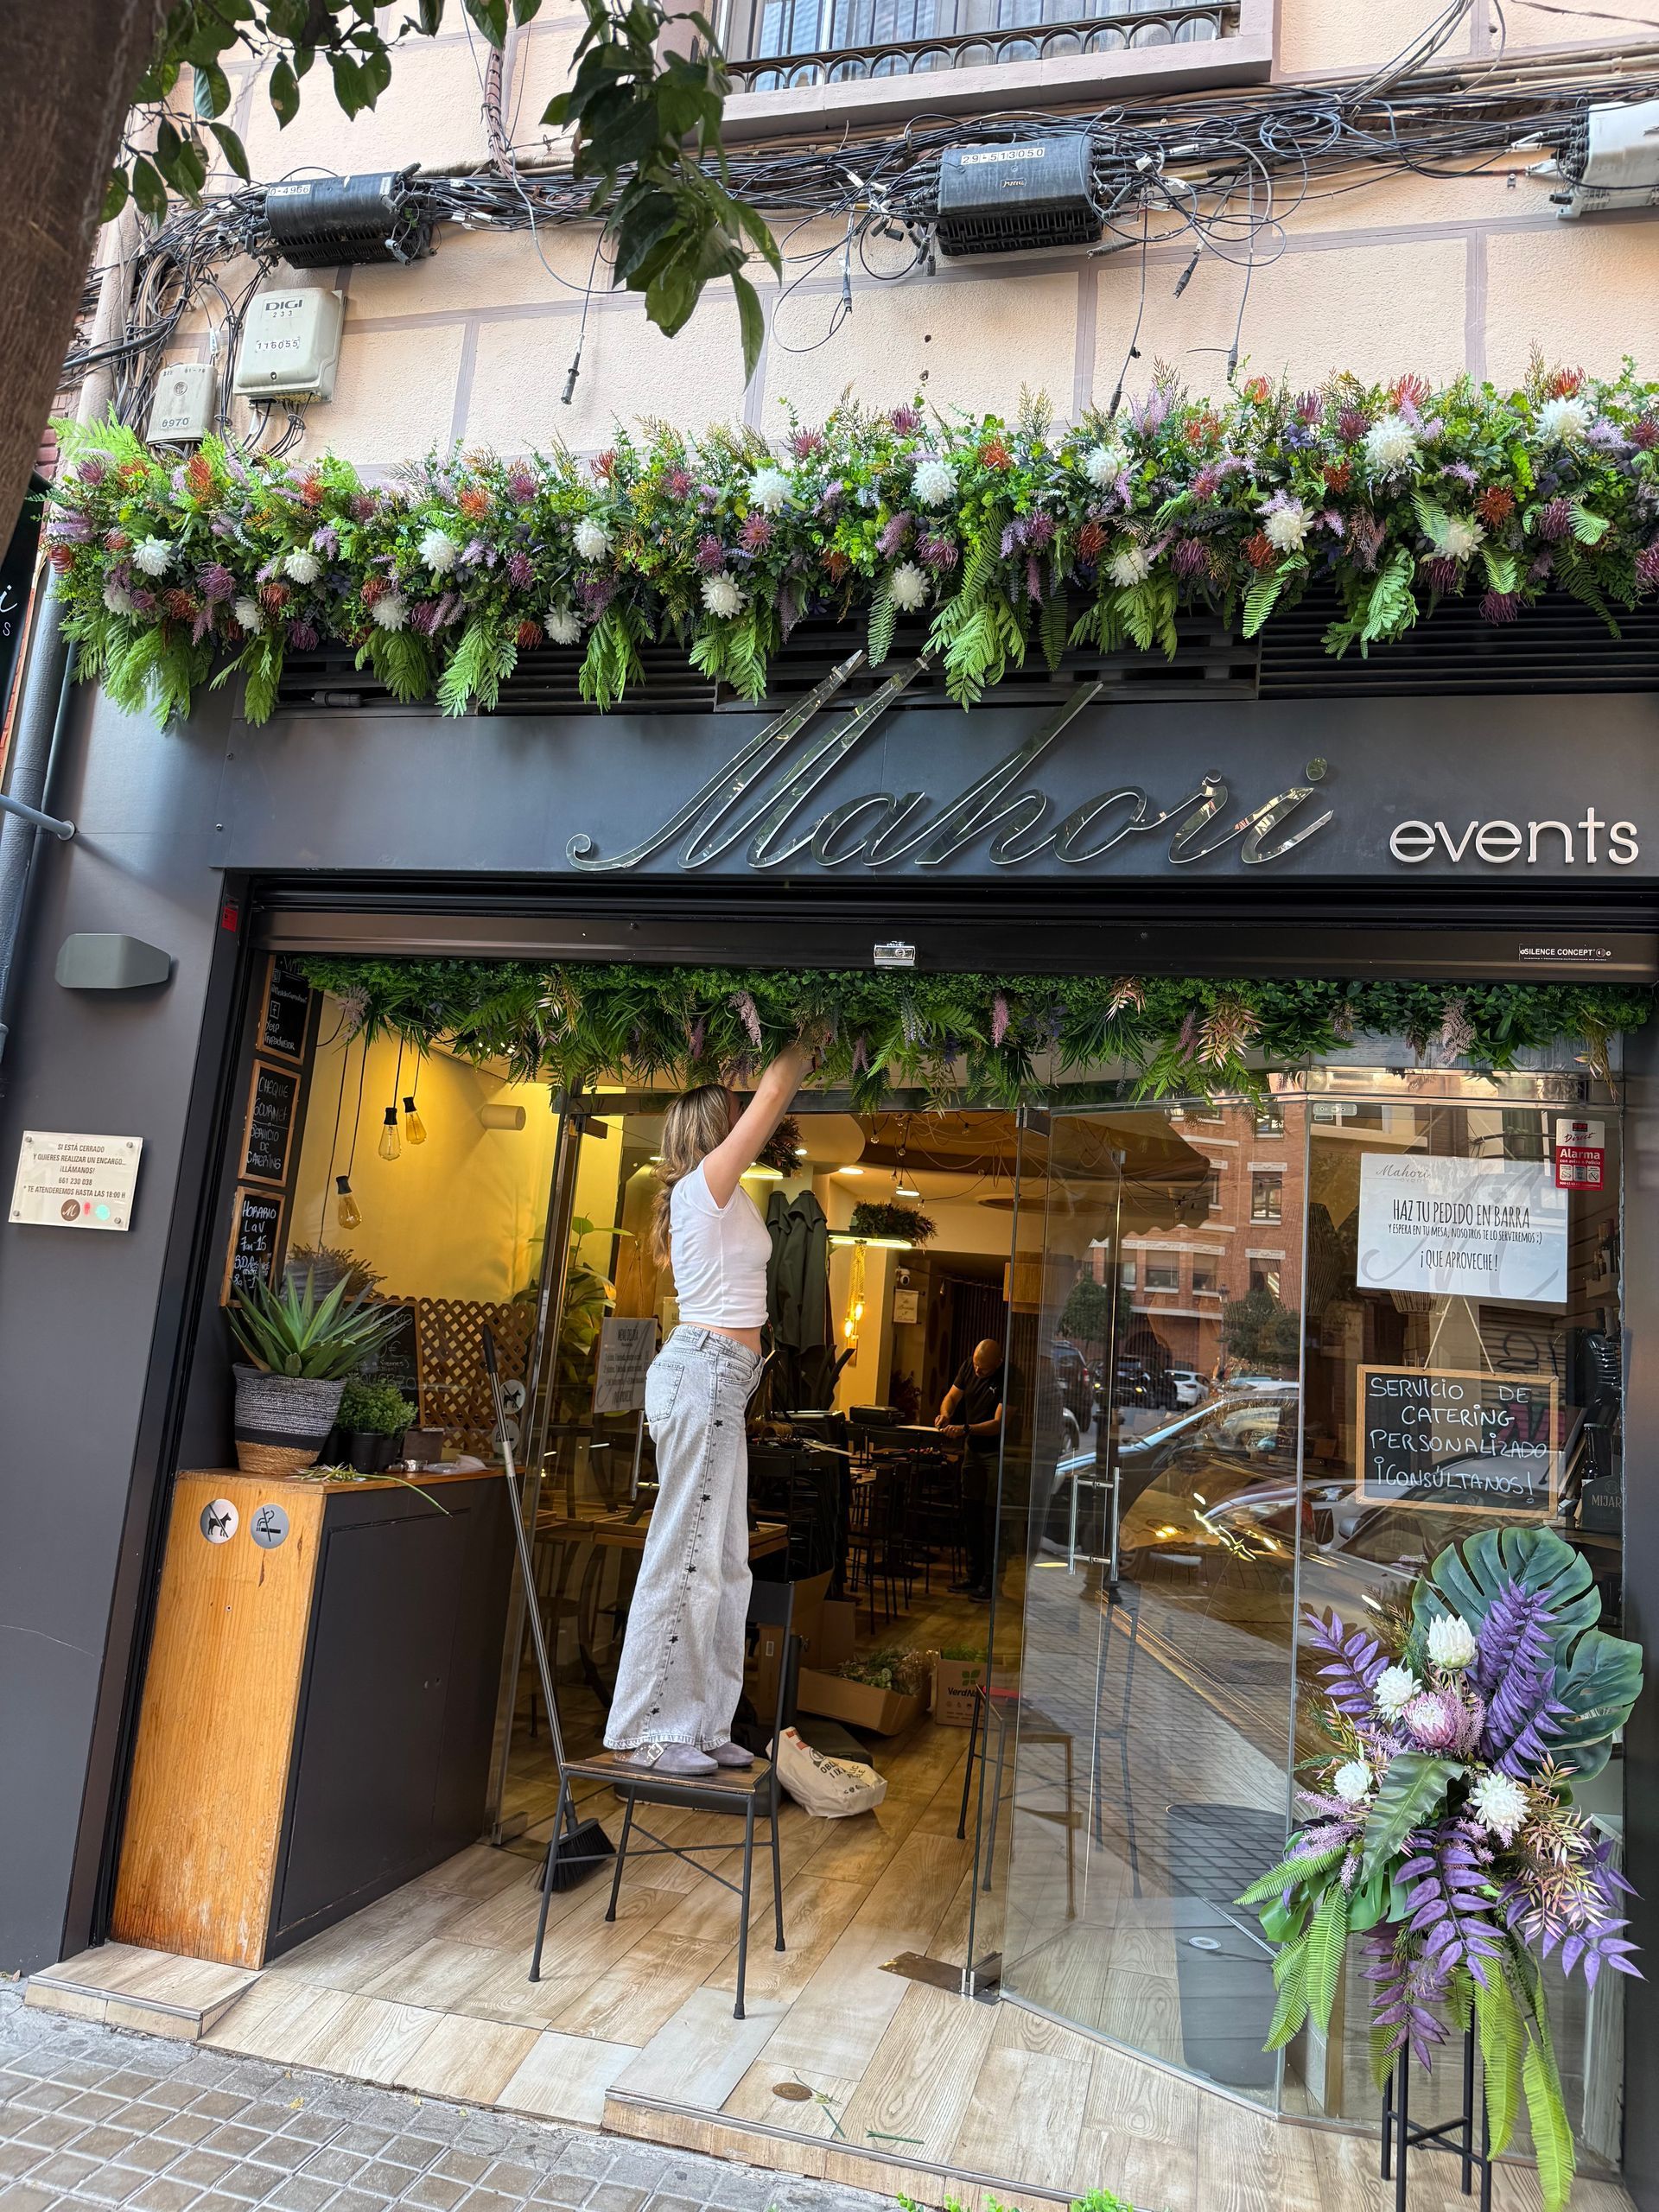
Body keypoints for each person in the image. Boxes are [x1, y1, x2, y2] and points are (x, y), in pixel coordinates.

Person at [605, 1044, 812, 1775]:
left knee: (724, 1563)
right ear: (714, 1132)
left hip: (723, 1383)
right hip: (706, 1376)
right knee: (685, 1557)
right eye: (732, 1115)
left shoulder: (717, 1196)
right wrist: (808, 1040)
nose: (743, 1119)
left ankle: (703, 1724)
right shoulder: (704, 1187)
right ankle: (649, 1732)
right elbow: (773, 1097)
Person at [936, 1338, 1005, 1603]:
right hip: (972, 1451)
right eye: (975, 1365)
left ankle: (990, 1581)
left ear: (997, 1363)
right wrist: (946, 1414)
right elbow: (952, 1397)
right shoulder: (969, 1366)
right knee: (971, 1513)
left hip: (995, 1453)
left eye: (983, 1369)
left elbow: (998, 1423)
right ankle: (973, 1575)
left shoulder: (1008, 1377)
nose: (977, 1371)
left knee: (990, 1517)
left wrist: (965, 1429)